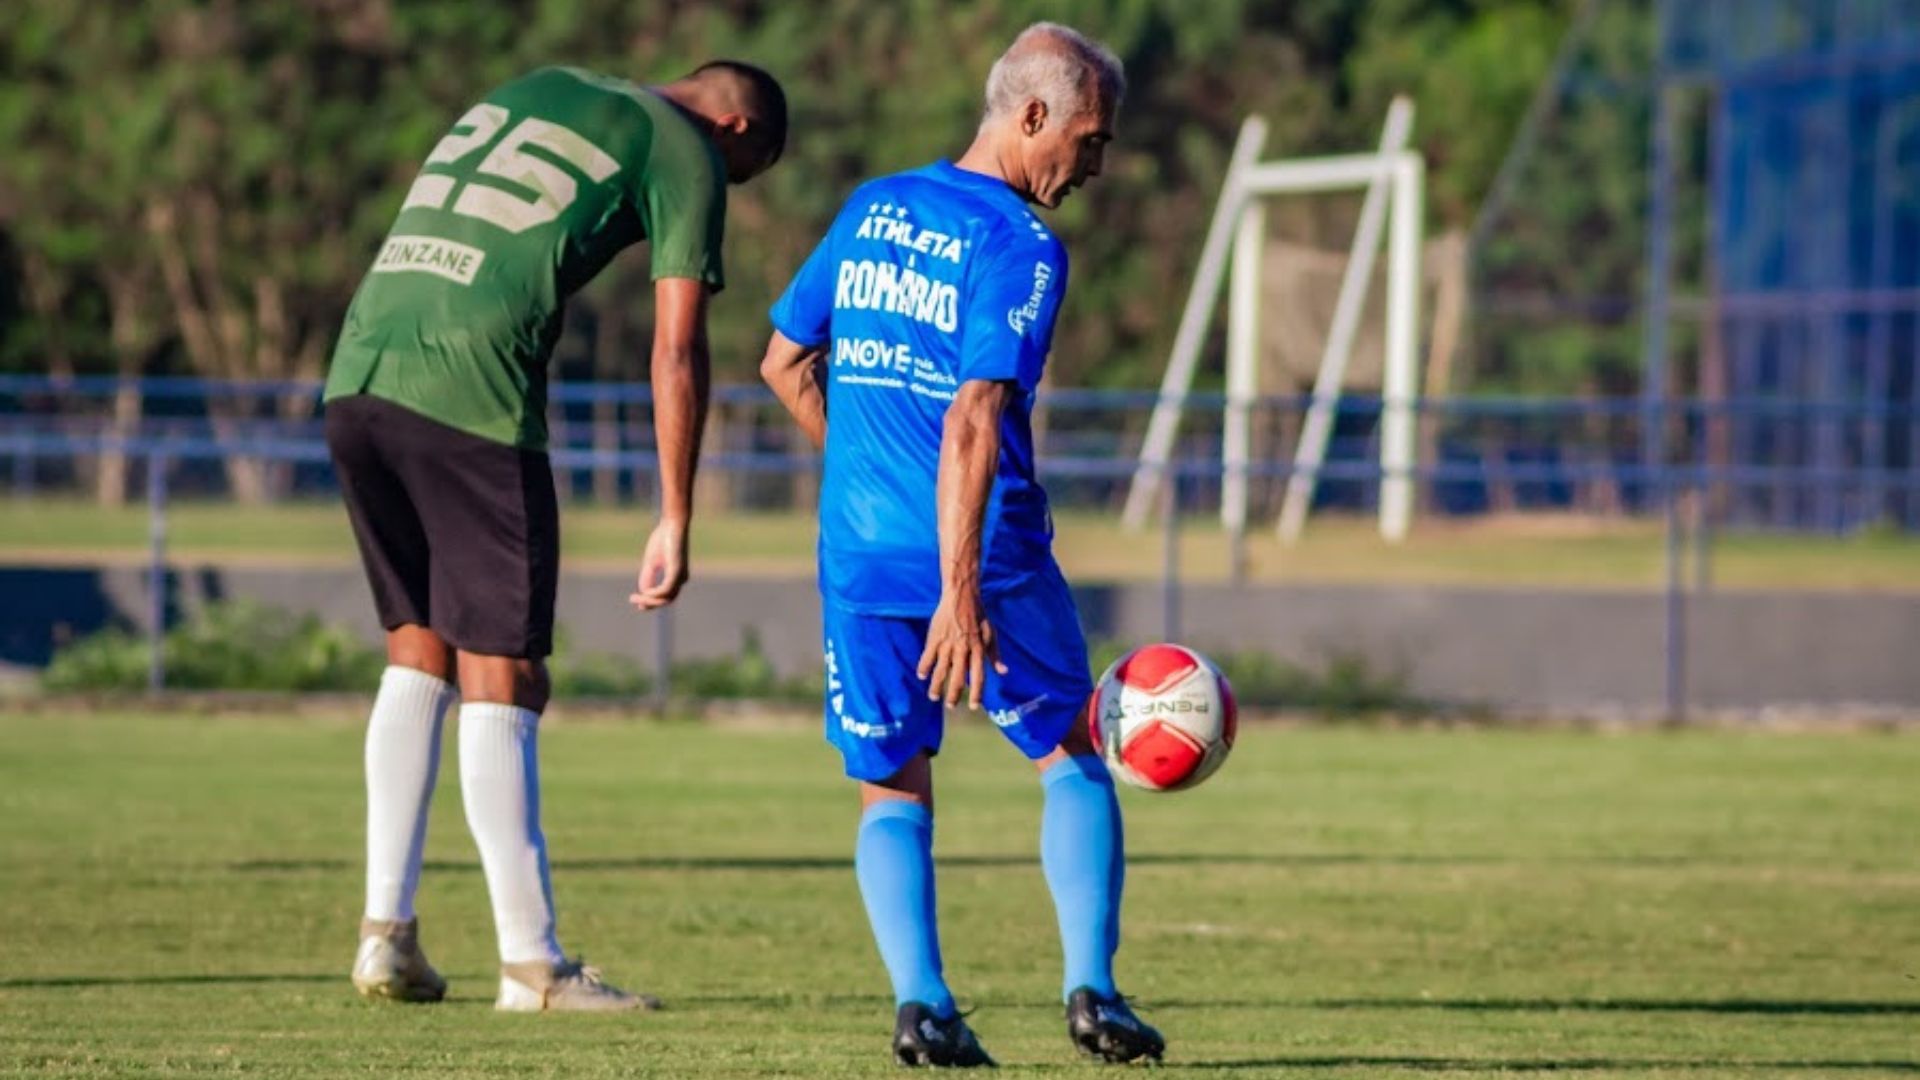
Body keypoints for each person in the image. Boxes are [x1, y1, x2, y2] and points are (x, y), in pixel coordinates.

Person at [323, 60, 786, 1012]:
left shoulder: (537, 87)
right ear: (734, 132)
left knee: (418, 651)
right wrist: (677, 512)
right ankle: (533, 966)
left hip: (361, 366)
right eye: (744, 175)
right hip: (471, 387)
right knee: (508, 673)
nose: (720, 192)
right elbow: (677, 345)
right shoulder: (686, 144)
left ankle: (387, 938)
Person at [759, 23, 1162, 1066]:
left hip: (856, 555)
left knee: (891, 783)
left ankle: (923, 1005)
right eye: (1091, 139)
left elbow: (782, 363)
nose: (1094, 166)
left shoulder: (871, 208)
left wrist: (871, 480)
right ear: (1034, 118)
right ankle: (1094, 994)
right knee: (1072, 754)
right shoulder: (1019, 246)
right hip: (986, 559)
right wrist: (959, 589)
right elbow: (977, 415)